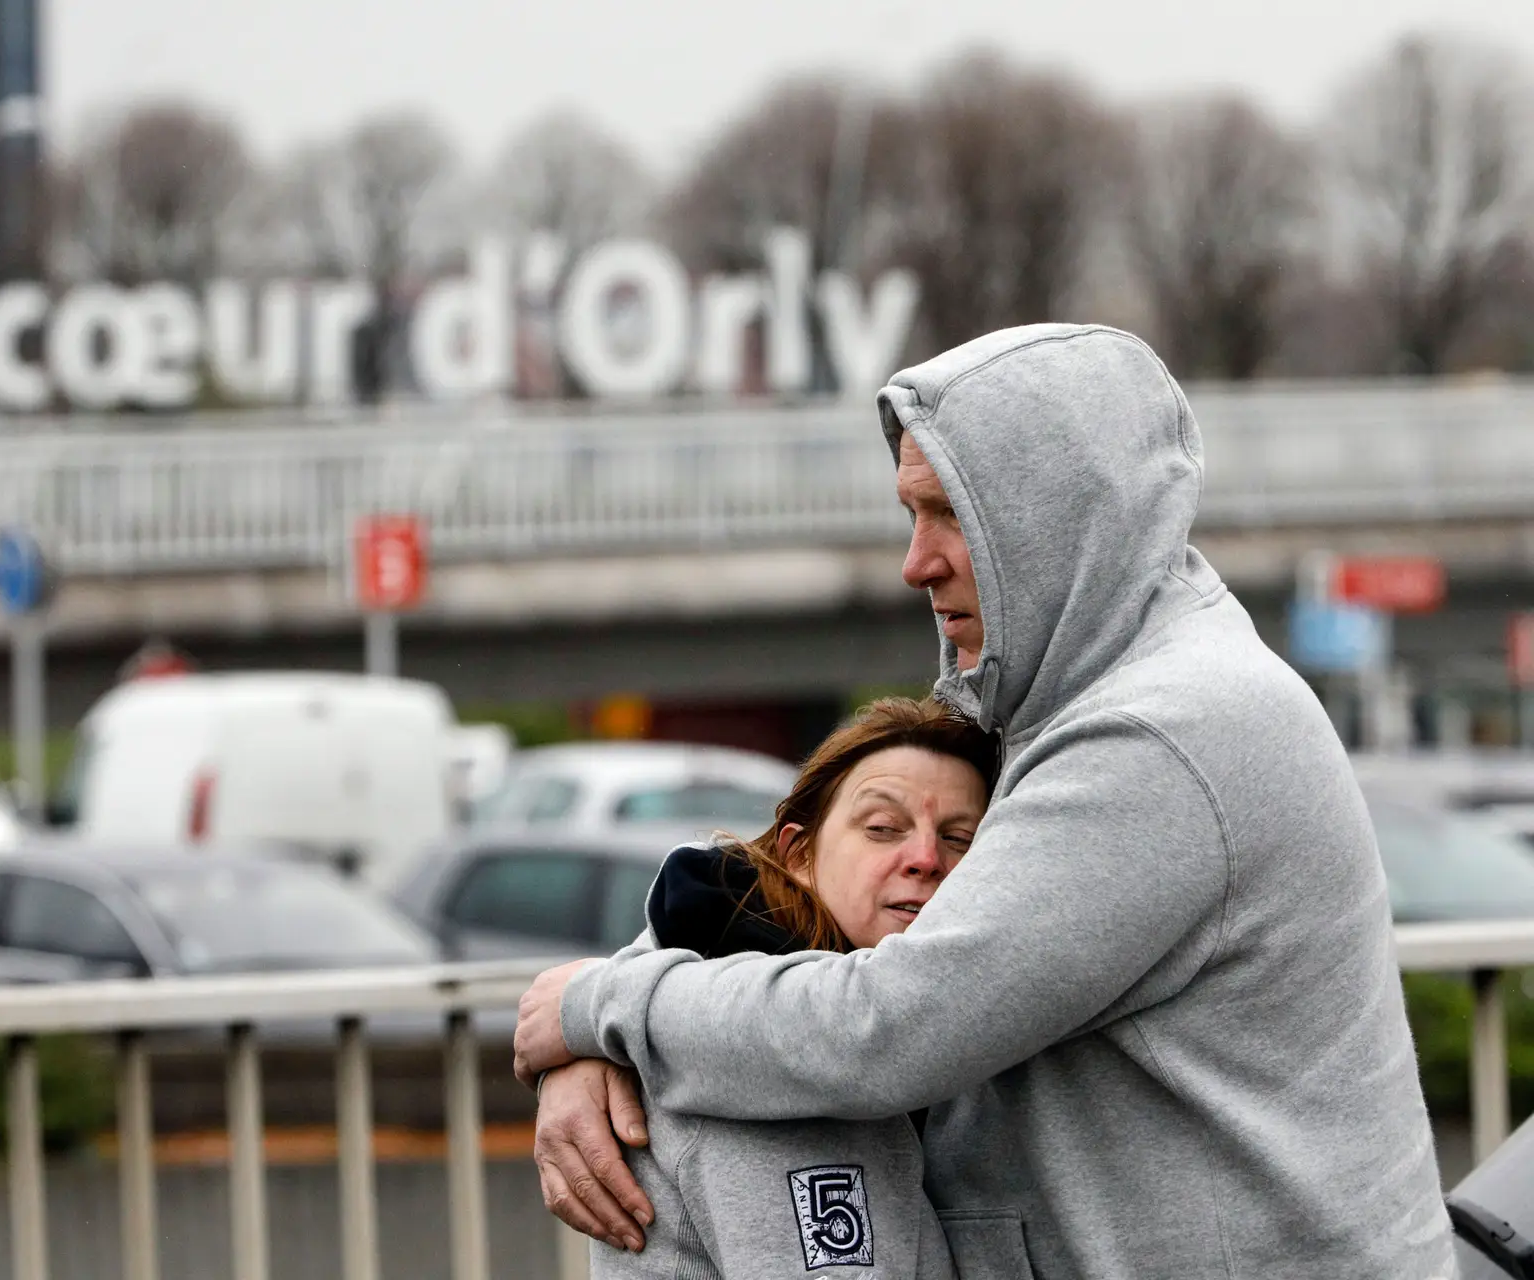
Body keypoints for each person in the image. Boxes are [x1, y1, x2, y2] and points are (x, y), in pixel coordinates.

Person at [514, 324, 1456, 1279]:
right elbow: (770, 902)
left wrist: (606, 1010)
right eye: (909, 515)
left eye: (949, 516)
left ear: (1057, 518)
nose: (915, 563)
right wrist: (599, 1032)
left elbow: (887, 1031)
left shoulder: (1165, 736)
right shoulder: (1065, 696)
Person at [603, 697, 994, 1280]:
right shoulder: (769, 1063)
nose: (926, 858)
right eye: (882, 829)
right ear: (798, 852)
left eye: (960, 839)